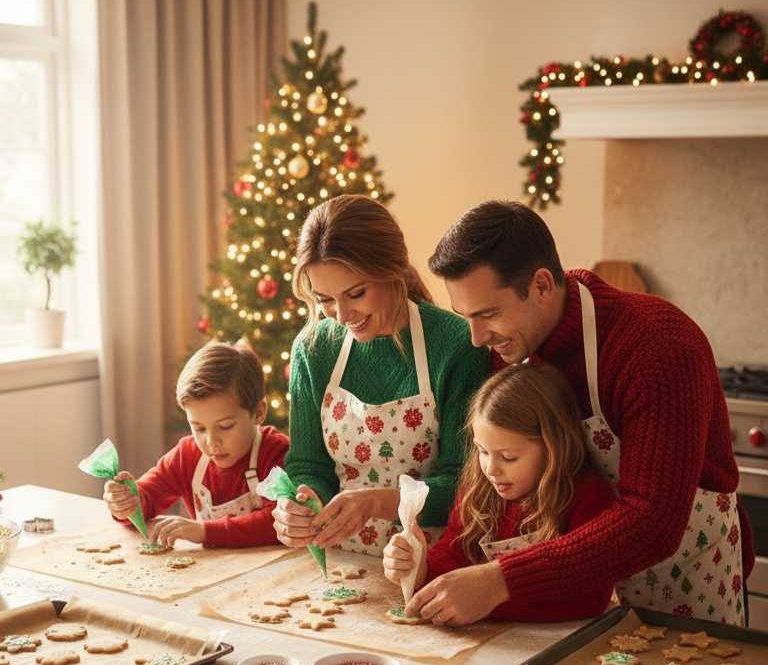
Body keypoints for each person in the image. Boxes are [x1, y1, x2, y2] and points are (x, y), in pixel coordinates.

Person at [423, 199, 754, 626]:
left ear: (541, 285)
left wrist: (499, 581)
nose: (476, 337)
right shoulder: (511, 347)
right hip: (577, 598)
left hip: (686, 579)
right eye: (466, 316)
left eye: (488, 314)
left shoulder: (658, 346)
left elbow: (652, 522)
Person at [271, 195, 489, 557]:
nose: (341, 315)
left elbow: (463, 484)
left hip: (430, 564)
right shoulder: (312, 349)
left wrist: (376, 503)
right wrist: (300, 501)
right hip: (341, 561)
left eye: (355, 293)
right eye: (324, 299)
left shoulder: (456, 345)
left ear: (393, 269)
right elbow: (308, 465)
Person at [384, 364, 617, 623]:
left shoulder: (587, 498)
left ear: (553, 447)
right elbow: (456, 553)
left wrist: (490, 601)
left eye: (508, 457)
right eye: (483, 451)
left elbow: (592, 596)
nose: (491, 469)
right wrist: (421, 569)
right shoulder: (480, 490)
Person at [103, 341, 289, 547]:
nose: (211, 442)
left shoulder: (275, 453)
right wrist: (127, 503)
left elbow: (279, 521)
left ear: (259, 413)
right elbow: (147, 499)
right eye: (199, 428)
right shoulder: (186, 456)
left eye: (226, 426)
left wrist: (204, 532)